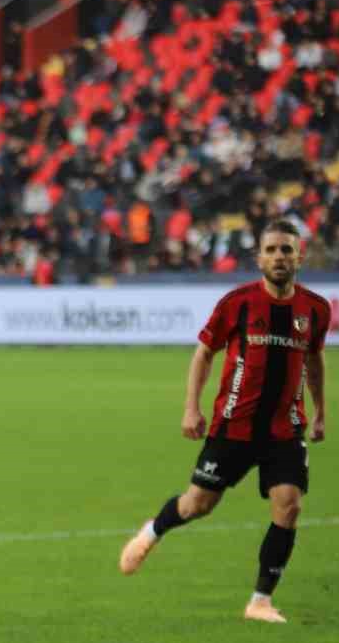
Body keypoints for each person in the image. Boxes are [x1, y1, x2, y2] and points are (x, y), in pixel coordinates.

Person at [119, 221, 327, 622]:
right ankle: (151, 533)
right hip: (234, 426)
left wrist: (320, 412)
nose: (279, 257)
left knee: (289, 506)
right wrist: (191, 408)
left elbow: (314, 360)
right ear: (259, 258)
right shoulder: (238, 302)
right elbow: (204, 353)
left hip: (286, 429)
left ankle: (260, 601)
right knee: (198, 504)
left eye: (287, 250)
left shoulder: (315, 309)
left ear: (299, 256)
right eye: (272, 250)